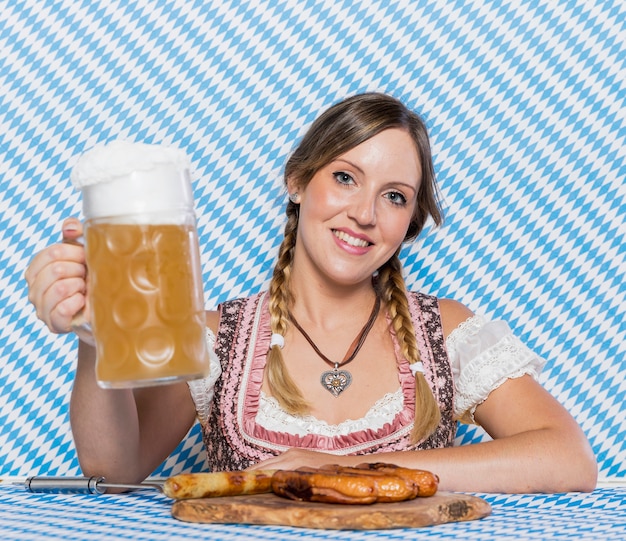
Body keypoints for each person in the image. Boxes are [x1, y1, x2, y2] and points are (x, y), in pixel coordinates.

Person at [25, 92, 597, 493]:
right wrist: (94, 337)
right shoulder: (214, 337)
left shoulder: (442, 332)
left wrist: (347, 467)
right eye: (345, 177)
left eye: (395, 196)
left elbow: (567, 457)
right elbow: (115, 469)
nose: (365, 214)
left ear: (409, 224)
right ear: (298, 182)